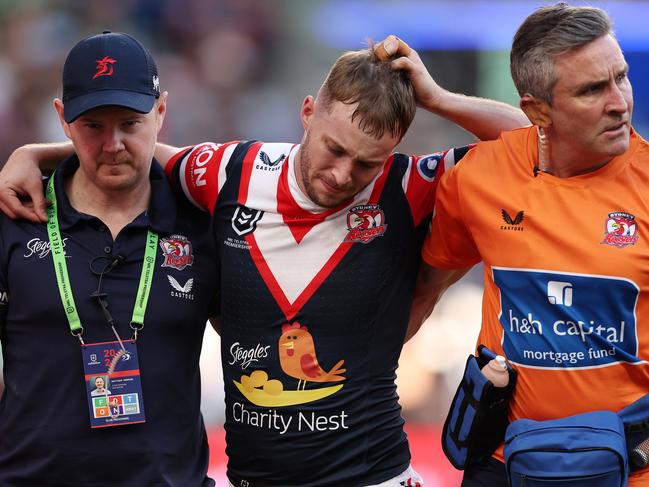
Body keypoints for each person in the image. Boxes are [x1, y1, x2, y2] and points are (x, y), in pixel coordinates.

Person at [0, 36, 528, 486]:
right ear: (306, 113)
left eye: (367, 162)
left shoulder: (409, 185)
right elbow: (126, 151)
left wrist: (436, 97)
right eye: (333, 149)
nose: (344, 175)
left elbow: (528, 143)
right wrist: (37, 153)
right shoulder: (227, 172)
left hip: (375, 474)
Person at [409, 3, 649, 485]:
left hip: (630, 469)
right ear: (538, 110)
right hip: (500, 464)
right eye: (591, 90)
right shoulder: (479, 177)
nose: (619, 101)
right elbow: (424, 291)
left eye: (620, 77)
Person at [0, 31, 219, 486]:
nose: (113, 143)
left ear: (161, 112)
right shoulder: (14, 213)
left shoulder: (203, 220)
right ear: (62, 118)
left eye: (130, 123)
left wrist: (34, 152)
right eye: (93, 125)